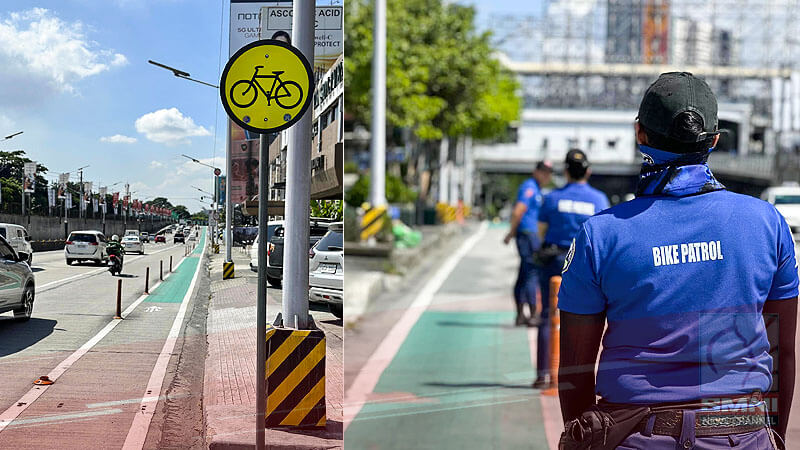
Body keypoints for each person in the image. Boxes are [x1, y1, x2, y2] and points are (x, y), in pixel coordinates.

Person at [557, 72, 796, 449]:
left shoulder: (601, 234)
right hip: (742, 433)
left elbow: (575, 368)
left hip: (635, 436)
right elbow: (782, 351)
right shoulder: (768, 223)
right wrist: (771, 437)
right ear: (714, 140)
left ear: (640, 134)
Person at [532, 149, 609, 389]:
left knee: (548, 315)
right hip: (587, 265)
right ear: (588, 172)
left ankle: (543, 374)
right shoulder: (599, 200)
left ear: (565, 171)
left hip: (555, 261)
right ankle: (583, 378)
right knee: (590, 319)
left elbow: (541, 230)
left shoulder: (552, 198)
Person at [504, 160, 553, 326]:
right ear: (536, 171)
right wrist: (511, 233)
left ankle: (520, 315)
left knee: (525, 274)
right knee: (532, 272)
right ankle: (532, 314)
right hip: (527, 234)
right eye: (544, 171)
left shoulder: (538, 189)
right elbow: (519, 210)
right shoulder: (530, 187)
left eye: (549, 172)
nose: (547, 175)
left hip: (530, 234)